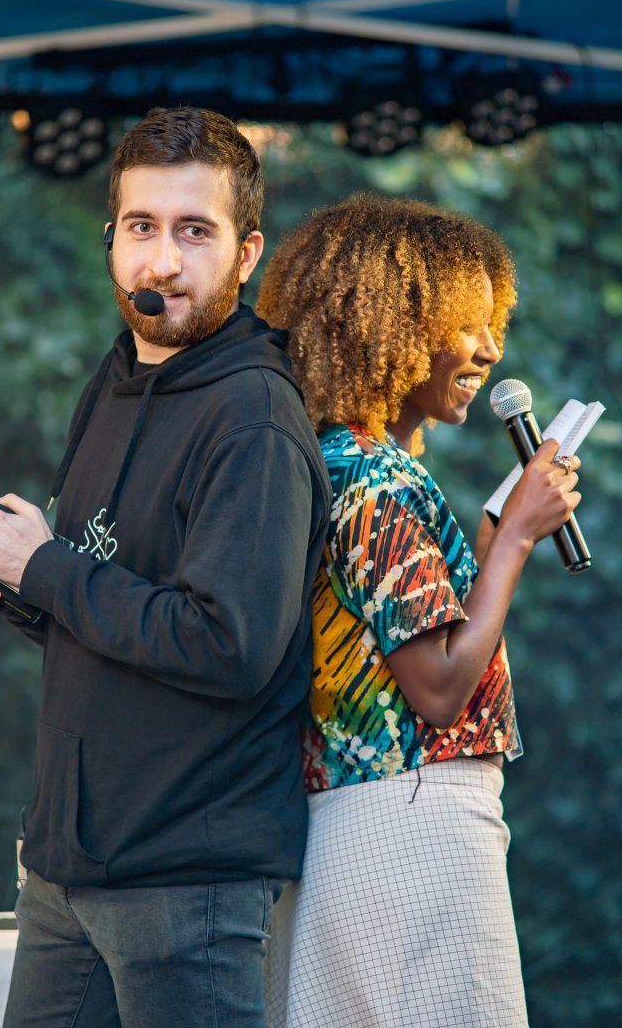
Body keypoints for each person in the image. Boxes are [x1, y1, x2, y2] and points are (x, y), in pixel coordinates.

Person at [0, 106, 331, 1028]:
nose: (162, 262)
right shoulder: (112, 381)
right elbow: (113, 597)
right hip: (65, 868)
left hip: (186, 879)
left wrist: (46, 569)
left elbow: (227, 645)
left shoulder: (253, 418)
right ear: (112, 238)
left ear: (247, 253)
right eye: (142, 227)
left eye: (194, 231)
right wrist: (12, 580)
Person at [255, 194, 582, 1028]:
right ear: (391, 329)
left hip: (360, 816)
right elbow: (436, 689)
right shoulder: (376, 478)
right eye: (468, 326)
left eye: (492, 325)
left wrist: (491, 537)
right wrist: (514, 541)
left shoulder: (334, 460)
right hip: (411, 820)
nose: (490, 350)